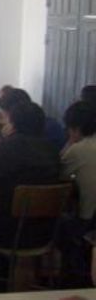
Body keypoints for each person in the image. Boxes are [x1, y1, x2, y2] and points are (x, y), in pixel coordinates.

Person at [0, 101, 60, 286]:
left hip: (6, 233)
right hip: (45, 232)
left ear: (14, 123)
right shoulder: (51, 151)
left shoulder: (3, 149)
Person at [59, 101, 96, 280]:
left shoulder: (78, 149)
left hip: (88, 221)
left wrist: (70, 142)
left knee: (59, 225)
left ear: (75, 128)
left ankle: (73, 277)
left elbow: (57, 173)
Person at [0, 88, 66, 151]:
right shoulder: (49, 123)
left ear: (13, 112)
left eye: (5, 115)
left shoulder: (36, 130)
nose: (5, 120)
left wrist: (9, 138)